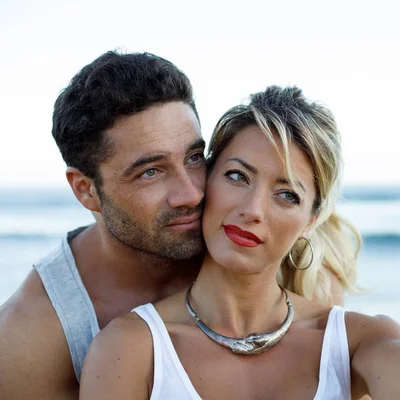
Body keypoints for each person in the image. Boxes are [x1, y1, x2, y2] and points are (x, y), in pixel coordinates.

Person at [80, 85, 400, 399]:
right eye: (237, 176)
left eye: (287, 194)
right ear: (207, 180)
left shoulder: (354, 343)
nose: (254, 209)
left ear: (311, 219)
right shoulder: (133, 347)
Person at [0, 52, 355, 400]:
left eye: (194, 158)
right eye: (150, 172)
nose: (190, 193)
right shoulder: (29, 341)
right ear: (86, 190)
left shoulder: (285, 259)